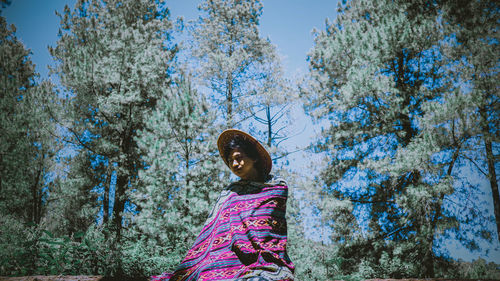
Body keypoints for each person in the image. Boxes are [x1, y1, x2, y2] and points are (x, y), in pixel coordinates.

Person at [152, 129, 295, 281]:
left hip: (267, 260)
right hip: (227, 261)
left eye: (238, 158)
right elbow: (215, 232)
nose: (234, 164)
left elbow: (267, 226)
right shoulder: (230, 194)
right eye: (230, 161)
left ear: (253, 158)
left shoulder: (276, 187)